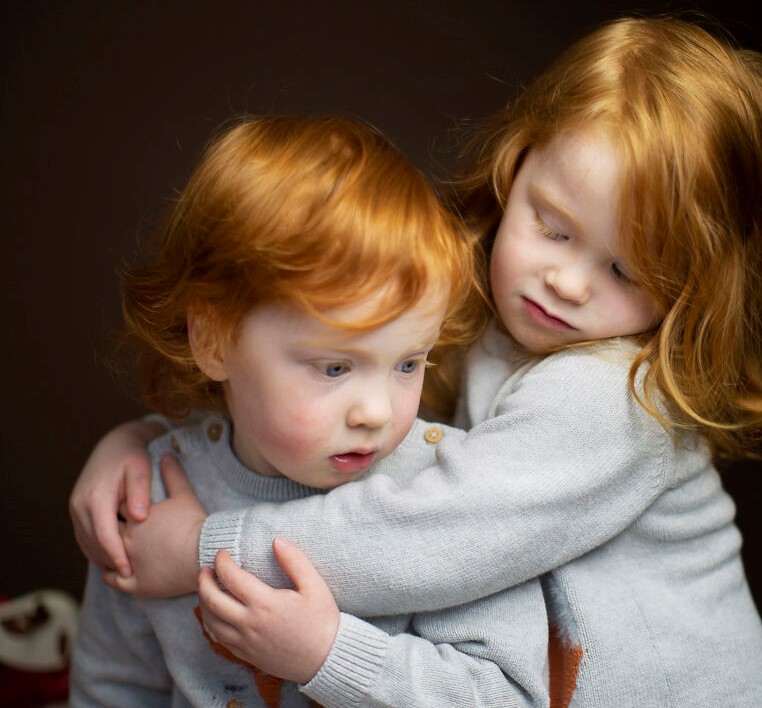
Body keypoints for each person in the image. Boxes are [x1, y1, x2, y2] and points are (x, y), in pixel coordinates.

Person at [71, 16, 762, 706]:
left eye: (627, 271)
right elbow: (287, 375)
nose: (569, 282)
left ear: (693, 285)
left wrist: (204, 548)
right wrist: (137, 445)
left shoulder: (618, 397)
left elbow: (422, 538)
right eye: (551, 227)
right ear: (514, 170)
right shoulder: (478, 323)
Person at [69, 114, 551, 707]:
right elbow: (113, 686)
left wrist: (326, 653)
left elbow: (506, 699)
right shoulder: (153, 501)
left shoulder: (447, 493)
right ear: (214, 342)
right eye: (334, 368)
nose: (376, 411)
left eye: (408, 363)